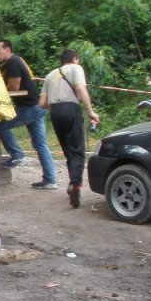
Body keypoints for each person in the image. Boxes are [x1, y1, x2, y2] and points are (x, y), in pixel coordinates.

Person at [0, 39, 58, 188]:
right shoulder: (12, 62)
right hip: (37, 106)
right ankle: (50, 180)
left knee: (1, 126)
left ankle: (17, 155)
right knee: (41, 145)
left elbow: (14, 87)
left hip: (30, 107)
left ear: (8, 50)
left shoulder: (13, 62)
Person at [39, 48, 100, 208]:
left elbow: (42, 103)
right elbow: (80, 87)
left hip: (55, 112)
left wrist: (57, 108)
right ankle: (75, 185)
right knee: (77, 151)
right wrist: (90, 111)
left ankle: (74, 185)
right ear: (75, 59)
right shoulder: (76, 68)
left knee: (68, 152)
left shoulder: (50, 75)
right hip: (71, 109)